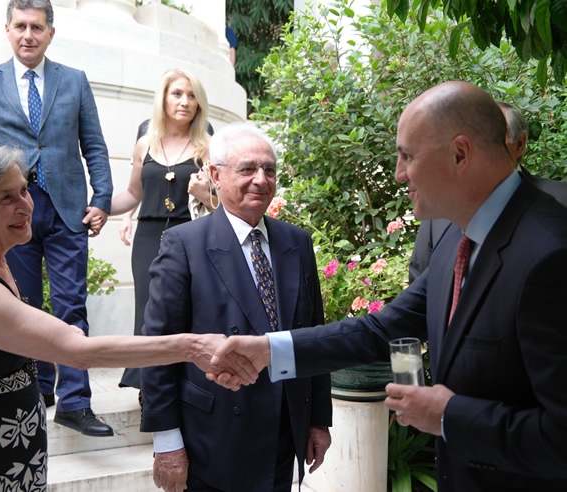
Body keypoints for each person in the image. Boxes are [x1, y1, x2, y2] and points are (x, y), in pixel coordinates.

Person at [210, 82, 567, 491]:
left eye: (407, 156)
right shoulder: (457, 238)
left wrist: (451, 417)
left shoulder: (551, 253)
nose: (399, 173)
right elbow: (383, 329)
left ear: (459, 153)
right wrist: (269, 350)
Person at [0, 138, 256, 492]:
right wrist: (193, 347)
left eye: (24, 190)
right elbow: (78, 352)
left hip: (8, 461)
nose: (26, 206)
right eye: (5, 198)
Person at [140, 123, 332, 492]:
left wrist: (317, 420)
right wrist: (166, 442)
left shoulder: (297, 243)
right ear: (215, 175)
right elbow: (159, 348)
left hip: (282, 433)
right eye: (247, 169)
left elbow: (313, 337)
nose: (261, 179)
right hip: (213, 438)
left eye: (269, 169)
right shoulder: (184, 244)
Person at [0, 0, 113, 436]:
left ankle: (75, 402)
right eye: (20, 26)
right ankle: (38, 386)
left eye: (37, 27)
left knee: (70, 305)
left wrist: (102, 198)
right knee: (22, 306)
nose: (28, 34)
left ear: (50, 33)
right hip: (10, 212)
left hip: (66, 208)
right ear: (7, 30)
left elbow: (94, 145)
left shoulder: (74, 82)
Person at [108, 68, 217, 390]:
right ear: (163, 99)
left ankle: (184, 381)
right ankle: (148, 386)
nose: (185, 102)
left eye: (192, 95)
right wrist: (98, 206)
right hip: (148, 237)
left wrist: (204, 194)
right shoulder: (145, 144)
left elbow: (223, 205)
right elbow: (132, 195)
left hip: (191, 239)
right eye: (177, 94)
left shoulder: (207, 147)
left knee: (185, 310)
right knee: (147, 309)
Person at [409, 100, 567, 283]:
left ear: (519, 145)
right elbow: (420, 283)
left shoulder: (561, 202)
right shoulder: (439, 210)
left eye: (488, 140)